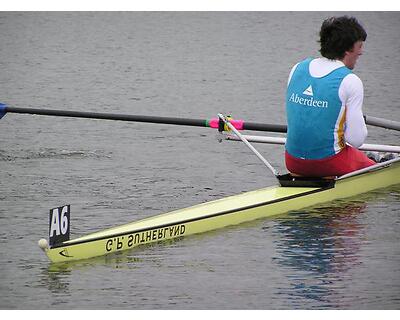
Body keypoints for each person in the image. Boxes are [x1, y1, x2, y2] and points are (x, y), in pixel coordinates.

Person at [285, 16, 375, 177]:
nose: (361, 51)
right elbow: (356, 140)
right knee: (377, 169)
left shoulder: (297, 68)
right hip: (329, 163)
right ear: (348, 49)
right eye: (359, 46)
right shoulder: (350, 80)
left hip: (292, 162)